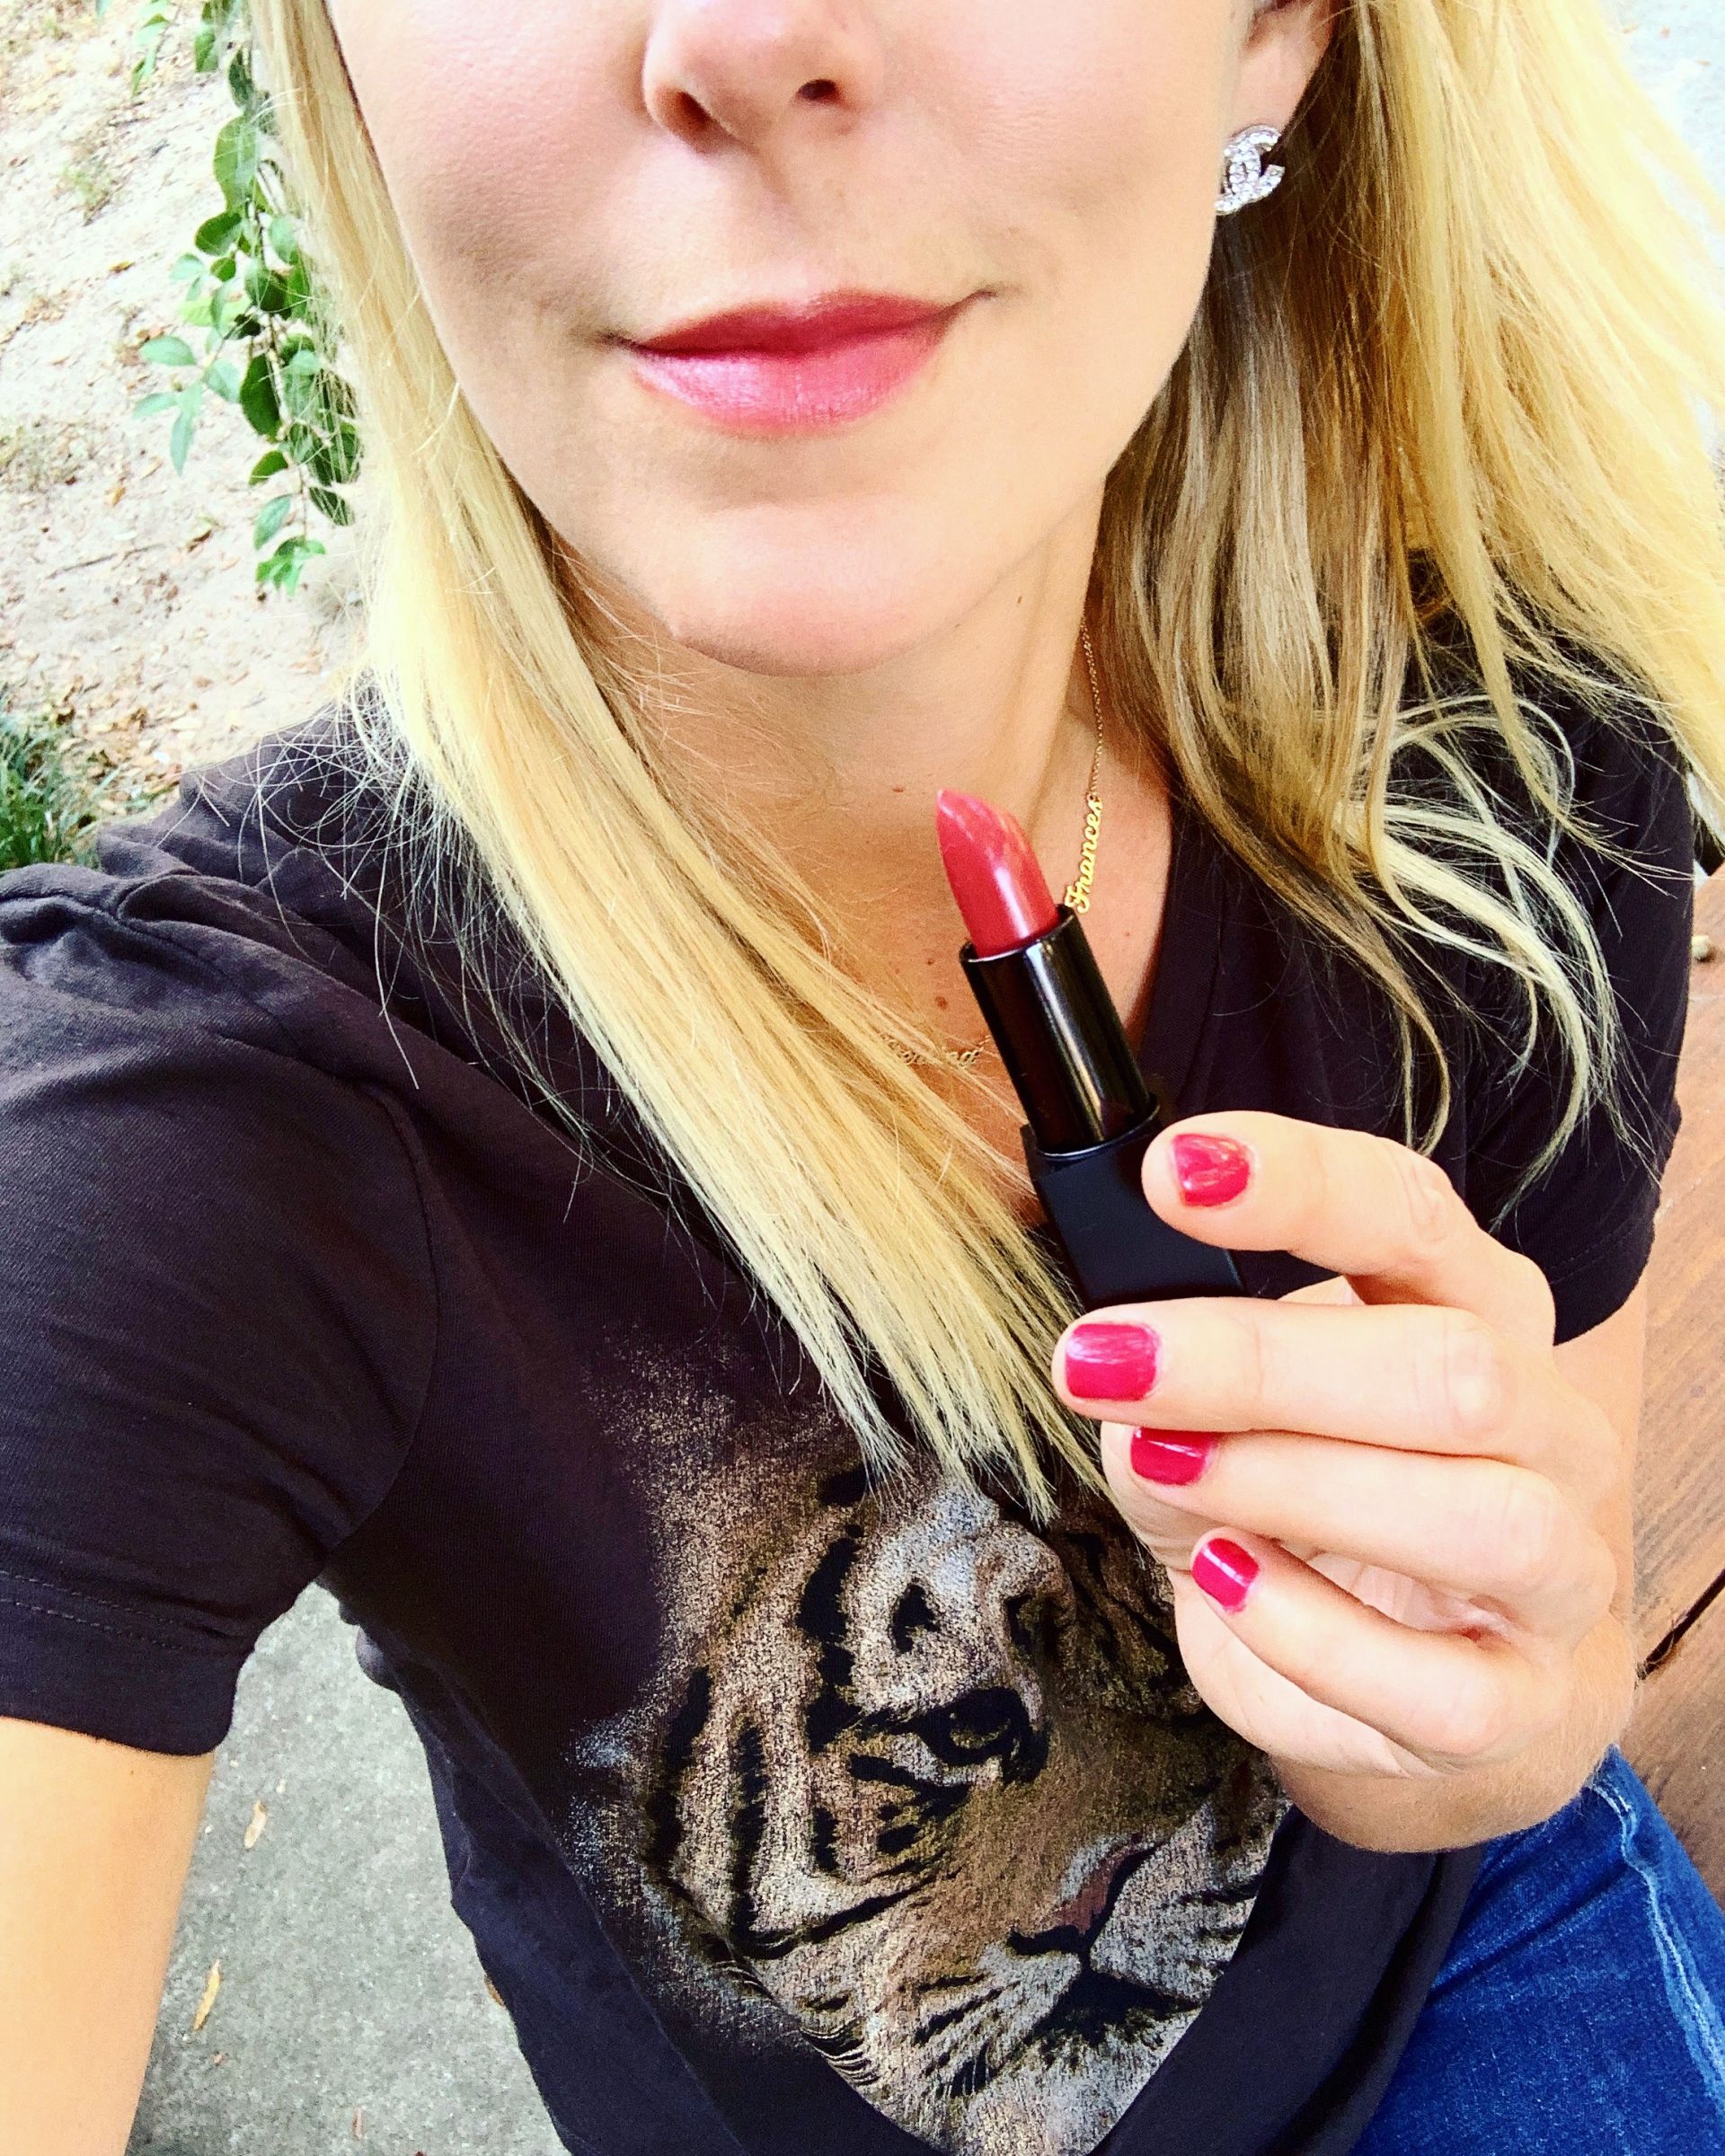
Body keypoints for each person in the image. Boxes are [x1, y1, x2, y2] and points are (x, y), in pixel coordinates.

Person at [3, 1, 1724, 2150]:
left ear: (1278, 26)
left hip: (1471, 1963)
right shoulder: (191, 1119)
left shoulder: (1515, 771)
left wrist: (1492, 1732)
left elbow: (1528, 1589)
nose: (749, 36)